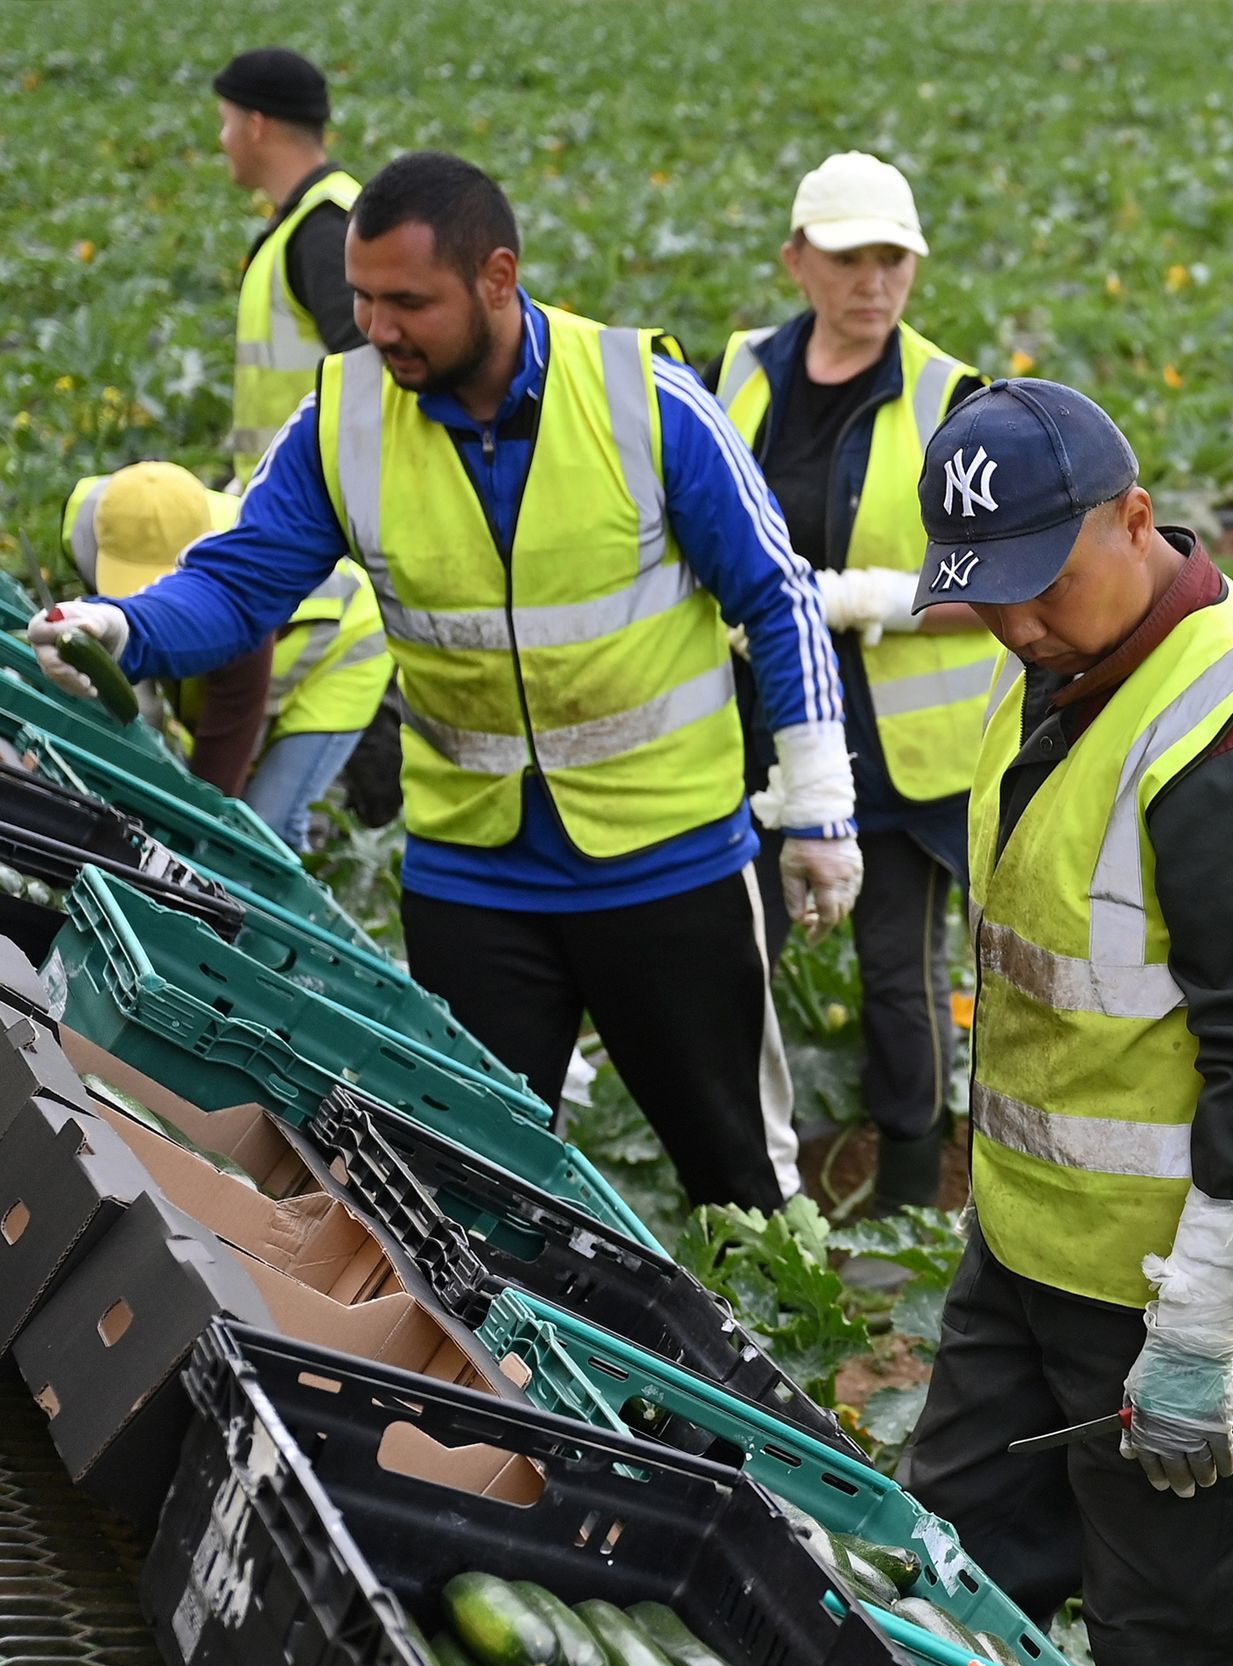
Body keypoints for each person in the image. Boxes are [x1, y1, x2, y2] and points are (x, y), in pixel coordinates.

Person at [24, 152, 852, 1214]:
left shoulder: (645, 404)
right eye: (364, 299)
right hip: (475, 876)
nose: (376, 328)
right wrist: (122, 626)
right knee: (469, 1186)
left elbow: (775, 597)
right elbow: (238, 589)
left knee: (735, 1174)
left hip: (668, 863)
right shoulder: (344, 420)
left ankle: (761, 1354)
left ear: (496, 278)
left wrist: (820, 802)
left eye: (407, 302)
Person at [892, 379, 1233, 1666]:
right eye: (990, 600)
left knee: (1170, 1624)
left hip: (1170, 1288)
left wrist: (1201, 1326)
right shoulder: (1068, 669)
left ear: (1135, 518)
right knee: (951, 1550)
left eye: (1041, 586)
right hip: (1035, 1249)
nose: (1017, 626)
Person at [711, 152, 992, 1213]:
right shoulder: (736, 373)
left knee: (897, 974)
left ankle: (911, 1190)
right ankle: (746, 1178)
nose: (872, 282)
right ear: (797, 262)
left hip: (897, 749)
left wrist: (870, 595)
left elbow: (1016, 578)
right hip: (754, 723)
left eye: (892, 259)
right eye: (847, 258)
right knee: (737, 956)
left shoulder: (949, 397)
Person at [59, 459, 391, 847]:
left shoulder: (237, 597)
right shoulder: (97, 516)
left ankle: (283, 893)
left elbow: (221, 760)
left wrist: (194, 833)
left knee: (266, 825)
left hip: (345, 645)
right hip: (252, 639)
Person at [215, 47, 362, 485]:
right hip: (287, 499)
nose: (222, 138)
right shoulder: (318, 215)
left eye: (226, 121)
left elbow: (369, 372)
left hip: (313, 512)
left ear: (256, 126)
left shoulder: (323, 232)